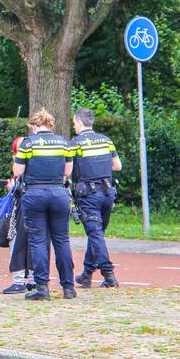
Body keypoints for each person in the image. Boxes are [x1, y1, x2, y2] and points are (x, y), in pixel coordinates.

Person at [12, 109, 75, 301]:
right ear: (50, 124)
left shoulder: (28, 143)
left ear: (33, 125)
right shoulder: (64, 143)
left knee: (38, 240)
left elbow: (18, 171)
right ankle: (68, 287)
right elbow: (67, 172)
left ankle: (42, 287)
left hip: (35, 194)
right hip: (58, 193)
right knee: (62, 240)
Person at [70, 108, 123, 289]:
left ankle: (109, 275)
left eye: (74, 123)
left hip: (88, 195)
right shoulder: (106, 140)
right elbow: (117, 166)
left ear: (78, 122)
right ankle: (86, 274)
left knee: (95, 234)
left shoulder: (76, 143)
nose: (74, 126)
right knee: (97, 234)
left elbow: (68, 170)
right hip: (108, 193)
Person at [3, 136, 33, 294]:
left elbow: (19, 186)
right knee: (35, 241)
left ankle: (18, 280)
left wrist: (11, 187)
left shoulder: (21, 163)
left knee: (17, 241)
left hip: (22, 206)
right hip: (37, 204)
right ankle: (34, 280)